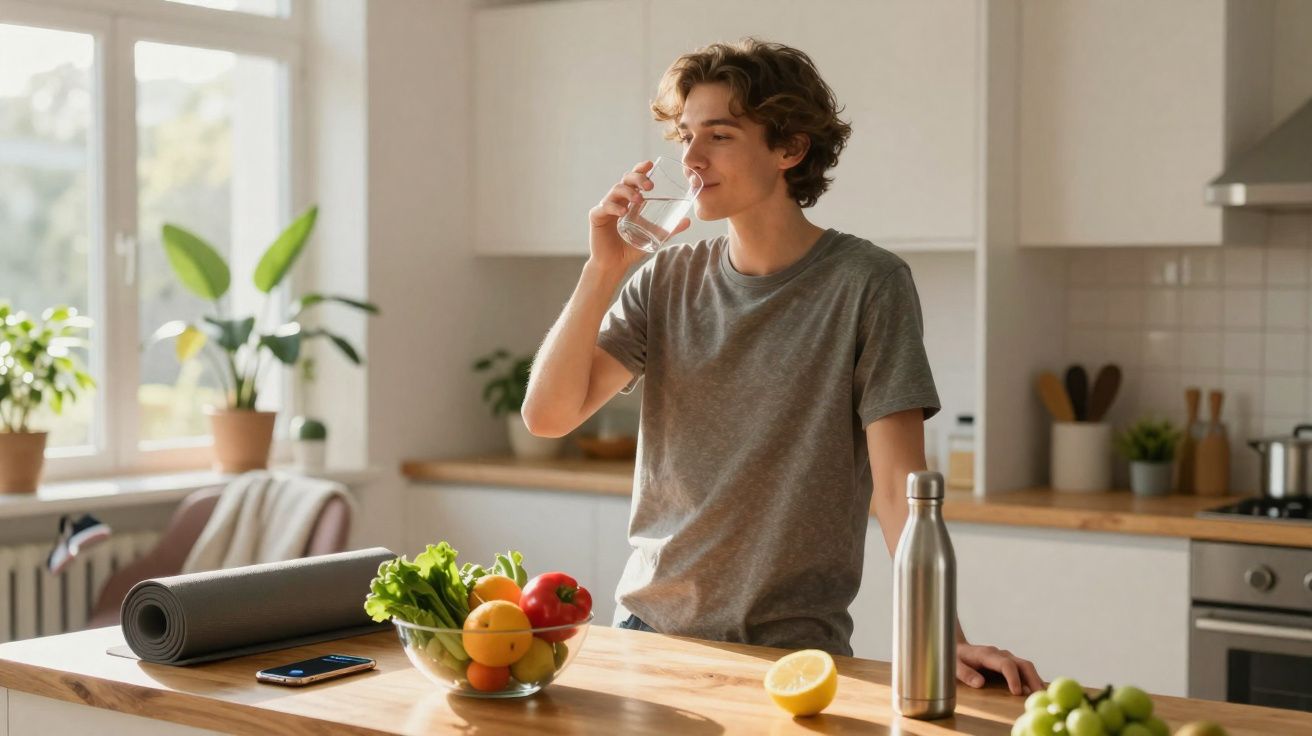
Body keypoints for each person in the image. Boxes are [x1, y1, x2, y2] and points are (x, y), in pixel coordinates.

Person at [522, 38, 1043, 696]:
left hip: (793, 656)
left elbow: (897, 493)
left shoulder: (867, 284)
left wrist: (948, 642)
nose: (691, 157)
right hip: (648, 639)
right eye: (686, 135)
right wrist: (602, 271)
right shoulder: (665, 280)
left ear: (789, 148)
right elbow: (547, 416)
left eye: (720, 134)